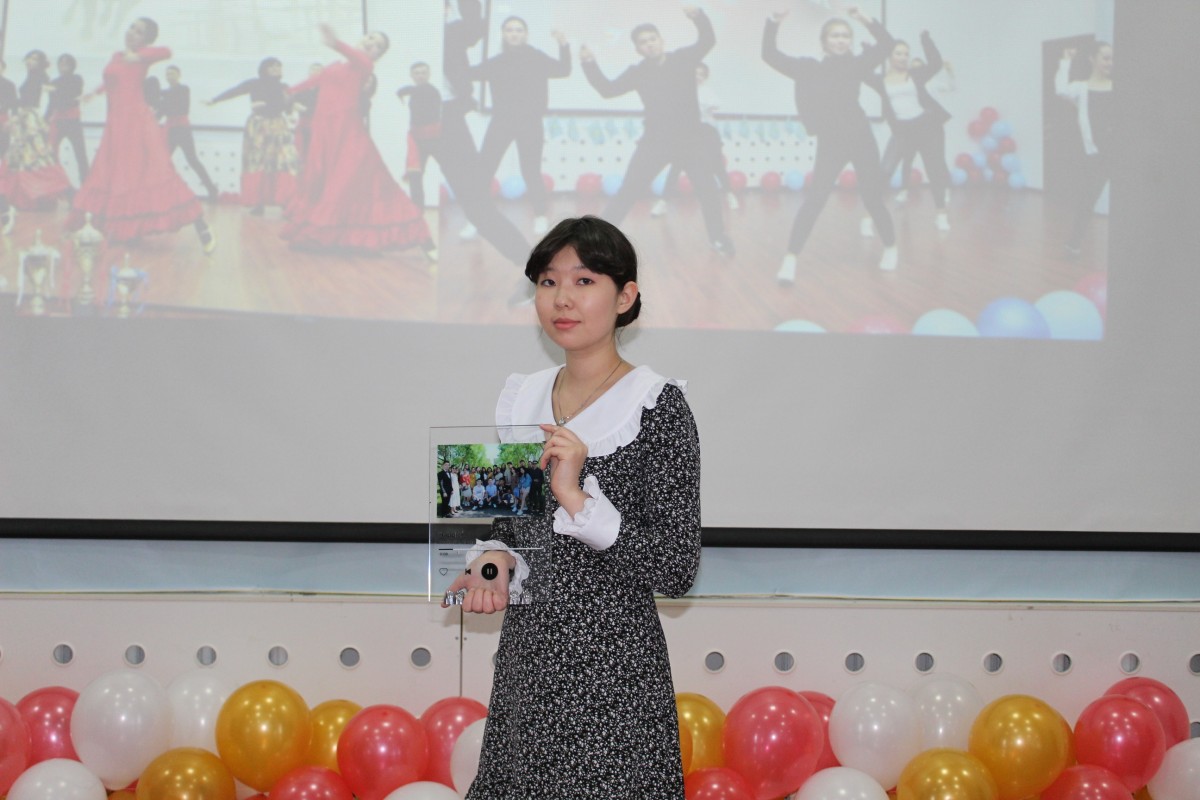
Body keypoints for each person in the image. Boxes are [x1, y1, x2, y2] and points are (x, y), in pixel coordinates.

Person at [443, 215, 701, 798]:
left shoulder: (658, 404)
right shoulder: (523, 396)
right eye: (548, 281)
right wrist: (491, 566)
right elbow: (508, 530)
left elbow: (676, 568)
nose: (562, 298)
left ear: (625, 297)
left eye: (584, 281)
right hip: (528, 664)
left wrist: (579, 502)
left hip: (614, 674)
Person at [580, 7, 735, 256]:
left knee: (708, 190)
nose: (649, 44)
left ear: (661, 41)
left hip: (690, 140)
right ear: (638, 49)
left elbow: (708, 40)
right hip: (655, 141)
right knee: (629, 190)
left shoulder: (683, 59)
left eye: (653, 39)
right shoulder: (638, 72)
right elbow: (607, 89)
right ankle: (597, 242)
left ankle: (718, 238)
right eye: (643, 42)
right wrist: (589, 63)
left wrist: (698, 16)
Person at [763, 7, 896, 282]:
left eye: (845, 35)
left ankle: (891, 247)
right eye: (835, 35)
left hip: (861, 138)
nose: (841, 40)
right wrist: (773, 22)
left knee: (872, 198)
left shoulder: (857, 64)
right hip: (832, 142)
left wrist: (863, 18)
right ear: (824, 41)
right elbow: (770, 55)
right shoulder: (809, 68)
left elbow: (887, 44)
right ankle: (790, 259)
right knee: (815, 199)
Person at [282, 24, 433, 257]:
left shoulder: (365, 65)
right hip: (324, 131)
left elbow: (353, 55)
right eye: (370, 38)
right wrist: (290, 91)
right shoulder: (336, 66)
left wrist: (335, 42)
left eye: (378, 46)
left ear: (378, 55)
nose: (371, 43)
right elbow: (316, 81)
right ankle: (326, 236)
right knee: (324, 182)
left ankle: (422, 238)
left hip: (348, 132)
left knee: (358, 183)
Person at [72, 17, 215, 249]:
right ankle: (126, 229)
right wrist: (93, 93)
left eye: (139, 32)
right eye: (131, 27)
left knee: (155, 174)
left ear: (146, 39)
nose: (132, 33)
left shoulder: (142, 57)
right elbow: (113, 81)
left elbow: (167, 51)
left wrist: (139, 56)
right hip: (116, 125)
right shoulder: (117, 56)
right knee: (120, 177)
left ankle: (201, 225)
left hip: (137, 124)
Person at [465, 17, 570, 236]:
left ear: (526, 34)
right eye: (510, 30)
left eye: (519, 30)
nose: (514, 34)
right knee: (484, 170)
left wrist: (563, 45)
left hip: (530, 122)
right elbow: (469, 73)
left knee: (531, 171)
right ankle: (476, 220)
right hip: (501, 122)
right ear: (504, 34)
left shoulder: (536, 57)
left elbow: (563, 70)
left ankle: (540, 216)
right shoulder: (496, 62)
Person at [866, 33, 953, 233]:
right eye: (898, 53)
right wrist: (870, 52)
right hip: (903, 131)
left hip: (927, 127)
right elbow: (863, 72)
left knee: (934, 169)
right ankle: (869, 217)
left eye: (906, 54)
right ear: (890, 56)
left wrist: (926, 41)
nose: (903, 57)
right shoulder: (881, 81)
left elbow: (935, 63)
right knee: (885, 170)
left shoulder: (916, 74)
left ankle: (941, 214)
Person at [206, 57, 299, 213]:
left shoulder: (284, 87)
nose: (276, 69)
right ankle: (258, 203)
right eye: (272, 66)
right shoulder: (254, 83)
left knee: (284, 162)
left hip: (278, 126)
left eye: (279, 66)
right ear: (264, 69)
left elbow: (286, 107)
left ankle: (285, 201)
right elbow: (235, 91)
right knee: (257, 162)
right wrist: (215, 100)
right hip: (258, 127)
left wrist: (288, 107)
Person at [651, 61, 738, 218]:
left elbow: (716, 104)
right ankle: (663, 202)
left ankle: (729, 195)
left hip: (707, 132)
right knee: (676, 166)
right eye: (695, 73)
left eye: (701, 74)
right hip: (686, 133)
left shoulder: (707, 91)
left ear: (705, 77)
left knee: (717, 165)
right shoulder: (681, 91)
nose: (698, 77)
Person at [1056, 41, 1112, 259]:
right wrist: (1066, 61)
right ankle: (1073, 245)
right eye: (1105, 57)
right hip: (1097, 156)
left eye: (1112, 58)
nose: (1110, 62)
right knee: (1086, 201)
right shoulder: (1081, 88)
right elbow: (1061, 89)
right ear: (1093, 59)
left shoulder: (1118, 87)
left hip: (1119, 154)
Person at [0, 49, 72, 209]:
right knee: (25, 157)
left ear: (40, 63)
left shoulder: (39, 77)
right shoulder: (32, 76)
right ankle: (26, 197)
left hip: (30, 120)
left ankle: (62, 190)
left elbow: (44, 100)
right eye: (29, 58)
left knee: (35, 157)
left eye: (34, 59)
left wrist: (44, 118)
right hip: (25, 119)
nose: (30, 61)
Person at [154, 65, 220, 202]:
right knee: (161, 161)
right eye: (168, 74)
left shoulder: (183, 89)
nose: (169, 76)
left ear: (179, 75)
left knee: (192, 160)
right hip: (170, 130)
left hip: (182, 129)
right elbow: (160, 113)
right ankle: (158, 193)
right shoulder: (165, 95)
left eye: (172, 73)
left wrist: (155, 95)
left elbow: (178, 106)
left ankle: (212, 189)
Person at [394, 61, 442, 209]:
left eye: (423, 72)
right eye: (417, 73)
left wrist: (405, 90)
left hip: (435, 139)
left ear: (429, 74)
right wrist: (405, 91)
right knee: (415, 176)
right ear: (412, 75)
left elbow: (420, 91)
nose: (420, 76)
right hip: (418, 140)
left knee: (450, 169)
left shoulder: (432, 91)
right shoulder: (415, 92)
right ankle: (417, 211)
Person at [45, 54, 89, 185]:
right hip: (58, 121)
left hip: (72, 120)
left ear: (72, 66)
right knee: (51, 153)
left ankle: (86, 183)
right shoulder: (54, 82)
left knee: (80, 153)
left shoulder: (77, 79)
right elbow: (52, 104)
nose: (63, 66)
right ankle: (55, 183)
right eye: (61, 63)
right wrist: (44, 120)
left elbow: (73, 96)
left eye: (67, 64)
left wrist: (57, 92)